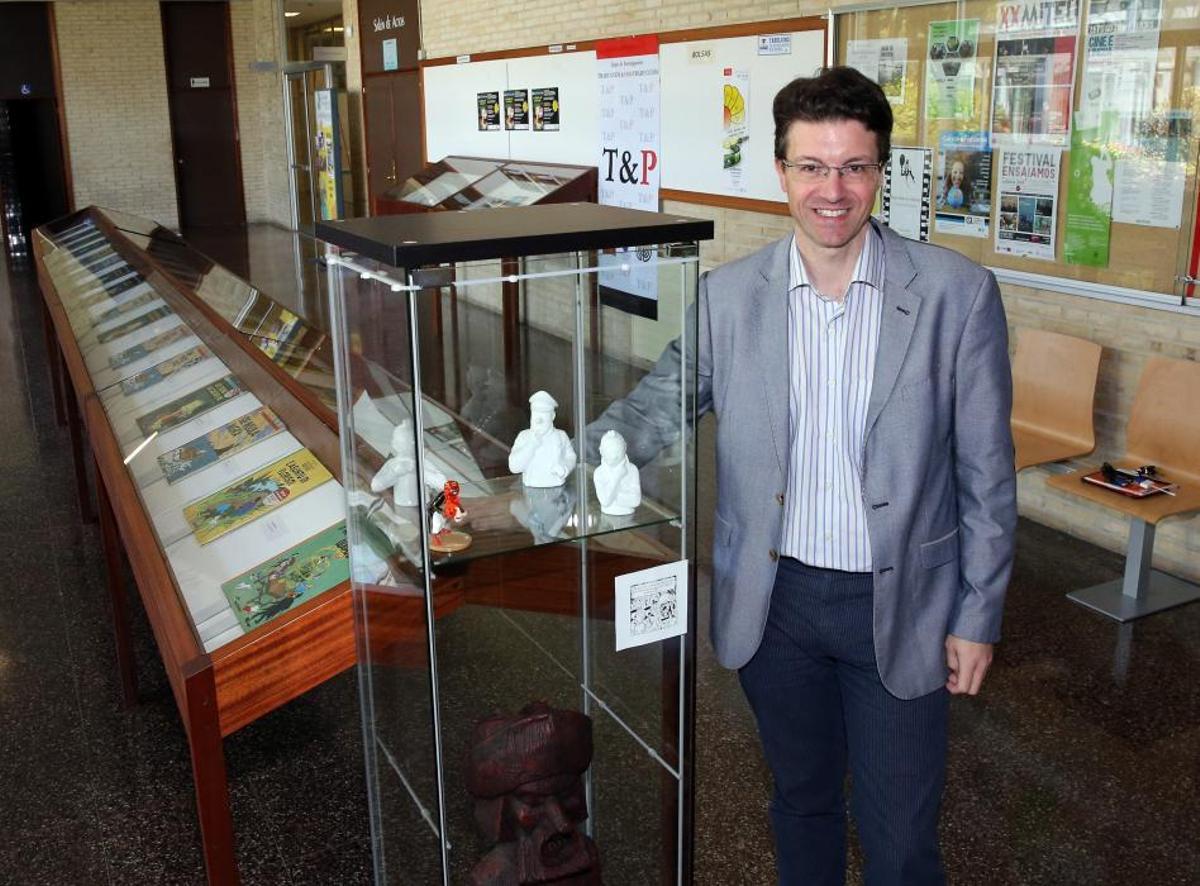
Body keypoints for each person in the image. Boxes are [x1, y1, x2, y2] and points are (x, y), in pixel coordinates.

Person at [589, 66, 1016, 885]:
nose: (834, 190)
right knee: (802, 804)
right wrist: (567, 467)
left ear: (880, 172)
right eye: (813, 167)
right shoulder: (731, 298)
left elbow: (988, 477)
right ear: (780, 172)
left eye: (854, 166)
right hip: (774, 606)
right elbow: (656, 406)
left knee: (898, 840)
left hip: (900, 608)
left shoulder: (955, 298)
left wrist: (978, 614)